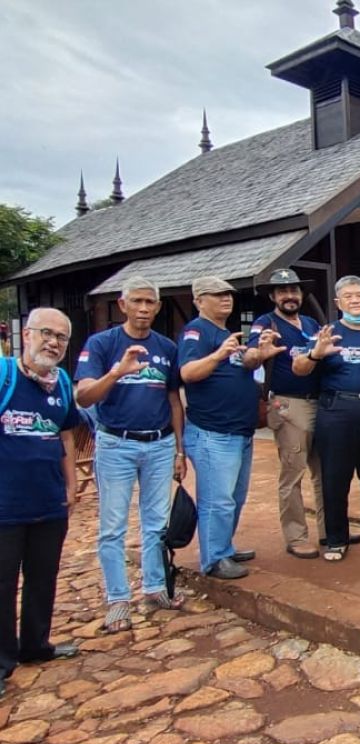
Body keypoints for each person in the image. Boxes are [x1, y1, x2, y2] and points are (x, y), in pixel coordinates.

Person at [75, 278, 187, 632]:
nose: (143, 309)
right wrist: (116, 372)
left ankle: (155, 588)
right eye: (136, 301)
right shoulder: (102, 344)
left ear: (157, 307)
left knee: (156, 522)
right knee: (112, 527)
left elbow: (173, 400)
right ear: (122, 305)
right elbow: (84, 397)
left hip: (159, 444)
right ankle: (118, 599)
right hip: (116, 444)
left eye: (149, 302)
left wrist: (179, 449)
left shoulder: (166, 347)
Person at [0, 308, 82, 699]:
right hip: (5, 504)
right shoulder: (4, 375)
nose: (52, 342)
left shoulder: (62, 382)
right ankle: (2, 662)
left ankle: (36, 645)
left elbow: (66, 436)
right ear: (27, 334)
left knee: (42, 577)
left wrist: (71, 485)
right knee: (2, 584)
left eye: (61, 337)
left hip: (49, 500)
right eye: (46, 333)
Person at [179, 277, 282, 579]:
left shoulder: (225, 333)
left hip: (239, 430)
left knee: (233, 497)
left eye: (229, 294)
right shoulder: (196, 332)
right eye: (218, 294)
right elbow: (187, 372)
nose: (227, 299)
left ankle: (223, 546)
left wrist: (259, 355)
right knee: (217, 499)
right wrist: (216, 355)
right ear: (199, 300)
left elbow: (241, 367)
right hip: (214, 432)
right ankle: (214, 559)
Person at [292, 276, 360, 561]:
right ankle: (336, 538)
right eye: (348, 296)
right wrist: (315, 354)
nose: (355, 300)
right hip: (336, 411)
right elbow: (299, 367)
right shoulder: (327, 332)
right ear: (338, 303)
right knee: (335, 477)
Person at [248, 268, 324, 559]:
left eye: (294, 291)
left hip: (319, 402)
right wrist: (259, 352)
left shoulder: (310, 323)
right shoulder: (265, 323)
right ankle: (296, 536)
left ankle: (331, 529)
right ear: (273, 296)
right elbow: (253, 354)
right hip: (289, 404)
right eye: (283, 291)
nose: (289, 296)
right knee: (293, 472)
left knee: (324, 471)